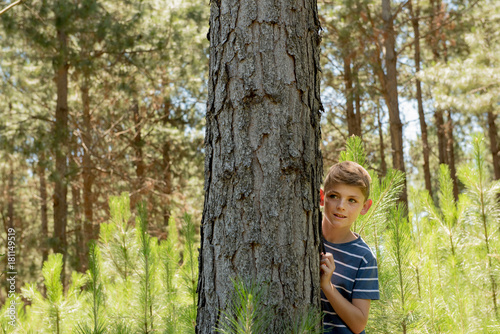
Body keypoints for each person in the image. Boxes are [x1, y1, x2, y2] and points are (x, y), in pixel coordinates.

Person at [319, 161, 380, 334]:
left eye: (352, 200)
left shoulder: (364, 258)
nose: (341, 206)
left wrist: (327, 286)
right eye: (334, 196)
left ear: (365, 207)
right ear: (322, 197)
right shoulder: (304, 236)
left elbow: (359, 323)